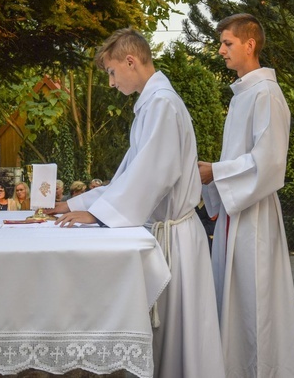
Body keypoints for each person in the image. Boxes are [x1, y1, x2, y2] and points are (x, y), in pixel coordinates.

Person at [46, 28, 225, 378]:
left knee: (182, 341)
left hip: (176, 239)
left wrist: (97, 216)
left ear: (131, 61)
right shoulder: (151, 104)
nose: (111, 83)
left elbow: (152, 177)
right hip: (168, 234)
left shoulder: (161, 104)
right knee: (173, 342)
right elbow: (129, 175)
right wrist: (74, 204)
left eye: (112, 72)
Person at [198, 13, 294, 377]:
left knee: (256, 303)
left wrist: (217, 172)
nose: (220, 50)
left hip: (255, 216)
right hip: (237, 211)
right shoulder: (243, 94)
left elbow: (271, 162)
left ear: (250, 44)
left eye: (227, 43)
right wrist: (214, 172)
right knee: (236, 303)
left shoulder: (266, 94)